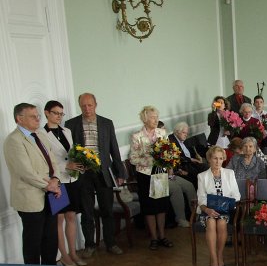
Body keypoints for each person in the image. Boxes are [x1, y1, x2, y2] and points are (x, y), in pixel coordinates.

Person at [64, 92, 127, 256]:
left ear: (95, 104)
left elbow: (114, 148)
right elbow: (68, 150)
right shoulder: (71, 124)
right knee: (87, 211)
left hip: (103, 172)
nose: (87, 109)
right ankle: (90, 245)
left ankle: (110, 243)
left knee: (107, 209)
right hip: (83, 173)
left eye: (89, 105)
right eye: (83, 106)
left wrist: (120, 172)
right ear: (80, 106)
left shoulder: (106, 123)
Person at [4, 103, 62, 264]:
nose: (38, 119)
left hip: (51, 194)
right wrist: (50, 185)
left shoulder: (40, 135)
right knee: (33, 244)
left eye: (38, 115)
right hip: (30, 198)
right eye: (32, 116)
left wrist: (56, 180)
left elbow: (53, 161)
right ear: (19, 119)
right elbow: (25, 171)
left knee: (51, 240)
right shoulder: (14, 141)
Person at [41, 100, 86, 266]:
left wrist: (81, 162)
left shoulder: (66, 131)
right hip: (57, 181)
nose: (59, 116)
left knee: (71, 216)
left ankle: (73, 252)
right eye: (55, 113)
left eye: (61, 113)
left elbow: (71, 153)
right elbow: (45, 161)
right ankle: (64, 255)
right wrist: (65, 166)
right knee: (59, 220)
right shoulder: (41, 134)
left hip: (72, 179)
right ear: (46, 113)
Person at [129, 106, 174, 250]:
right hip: (145, 175)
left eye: (157, 116)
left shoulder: (162, 132)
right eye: (153, 117)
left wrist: (168, 162)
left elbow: (169, 151)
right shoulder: (137, 136)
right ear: (145, 118)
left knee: (161, 206)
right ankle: (153, 238)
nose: (156, 120)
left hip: (160, 173)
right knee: (149, 207)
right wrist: (151, 159)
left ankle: (162, 236)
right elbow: (133, 159)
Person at [197, 146, 240, 266]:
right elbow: (201, 198)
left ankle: (220, 255)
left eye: (220, 159)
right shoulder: (202, 176)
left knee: (221, 222)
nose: (218, 161)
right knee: (210, 222)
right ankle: (213, 259)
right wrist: (207, 209)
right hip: (208, 210)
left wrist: (225, 205)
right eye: (215, 158)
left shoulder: (229, 173)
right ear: (209, 159)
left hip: (225, 210)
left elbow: (236, 195)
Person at [170, 121, 208, 188]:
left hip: (190, 163)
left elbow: (188, 151)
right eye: (184, 132)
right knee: (205, 168)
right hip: (183, 165)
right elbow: (177, 156)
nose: (186, 135)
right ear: (177, 131)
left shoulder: (181, 140)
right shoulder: (172, 140)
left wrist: (197, 157)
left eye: (186, 133)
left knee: (207, 167)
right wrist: (191, 159)